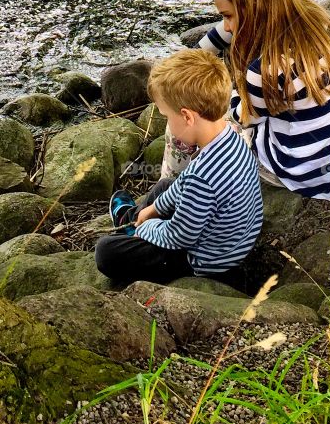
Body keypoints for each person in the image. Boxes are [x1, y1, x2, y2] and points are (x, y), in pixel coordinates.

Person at [161, 0, 330, 200]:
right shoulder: (316, 21)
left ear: (253, 10)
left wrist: (210, 83)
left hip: (296, 174)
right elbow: (231, 29)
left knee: (187, 112)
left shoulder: (266, 70)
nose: (227, 26)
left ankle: (168, 192)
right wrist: (194, 56)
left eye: (227, 16)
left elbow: (241, 117)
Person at [94, 48, 263, 287]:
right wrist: (151, 210)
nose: (168, 124)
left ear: (186, 117)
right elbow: (182, 186)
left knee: (105, 252)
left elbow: (179, 236)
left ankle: (133, 227)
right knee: (165, 185)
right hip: (233, 239)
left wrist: (148, 227)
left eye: (166, 116)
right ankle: (132, 219)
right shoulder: (232, 138)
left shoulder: (202, 177)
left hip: (205, 260)